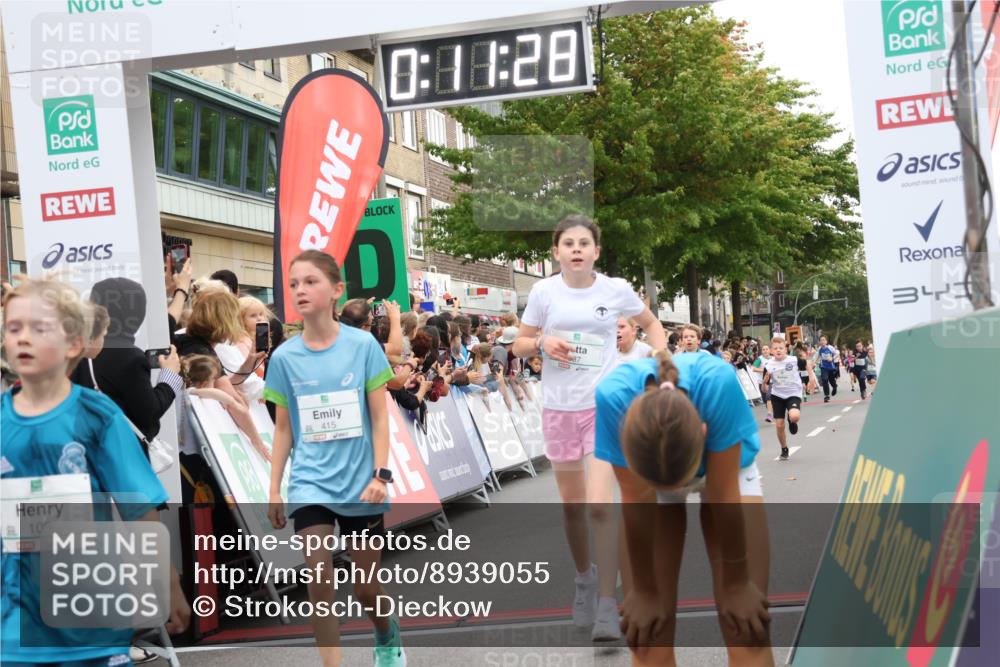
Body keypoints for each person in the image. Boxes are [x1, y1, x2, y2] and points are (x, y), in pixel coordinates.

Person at [2, 278, 190, 664]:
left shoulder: (98, 416)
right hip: (14, 622)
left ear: (73, 343)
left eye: (39, 328)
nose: (22, 338)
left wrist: (166, 583)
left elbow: (139, 507)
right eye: (13, 327)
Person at [512, 214, 666, 641]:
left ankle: (605, 604)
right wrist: (542, 342)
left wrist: (663, 358)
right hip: (560, 409)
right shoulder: (544, 292)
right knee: (573, 509)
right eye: (568, 243)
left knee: (600, 505)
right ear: (556, 252)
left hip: (604, 405)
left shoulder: (614, 289)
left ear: (596, 251)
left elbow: (652, 324)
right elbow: (519, 345)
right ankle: (584, 577)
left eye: (584, 243)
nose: (576, 249)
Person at [265, 250, 404, 667]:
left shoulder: (362, 346)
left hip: (362, 482)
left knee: (365, 589)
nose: (300, 290)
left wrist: (381, 473)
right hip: (311, 483)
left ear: (336, 290)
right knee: (319, 580)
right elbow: (284, 429)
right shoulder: (284, 358)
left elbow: (380, 418)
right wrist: (274, 488)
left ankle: (386, 635)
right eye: (293, 284)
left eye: (310, 282)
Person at [595, 351, 771, 666]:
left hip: (726, 476)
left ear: (703, 432)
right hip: (647, 483)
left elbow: (722, 492)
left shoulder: (717, 382)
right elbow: (636, 502)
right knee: (648, 638)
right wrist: (645, 590)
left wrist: (737, 582)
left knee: (747, 630)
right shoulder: (613, 397)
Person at [71, 277, 184, 443]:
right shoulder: (131, 358)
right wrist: (170, 376)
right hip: (120, 452)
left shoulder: (77, 350)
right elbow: (149, 413)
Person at [182, 354, 271, 462]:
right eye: (213, 381)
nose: (215, 385)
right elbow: (214, 393)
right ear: (203, 384)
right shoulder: (189, 393)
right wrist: (229, 400)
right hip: (191, 455)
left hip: (199, 452)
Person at [762, 336, 805, 460]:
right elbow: (765, 390)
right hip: (778, 395)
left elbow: (807, 364)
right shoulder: (769, 365)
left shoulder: (793, 360)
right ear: (771, 351)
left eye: (781, 348)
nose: (778, 350)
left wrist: (811, 379)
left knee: (795, 416)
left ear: (786, 349)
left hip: (793, 393)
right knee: (779, 425)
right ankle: (784, 448)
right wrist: (765, 383)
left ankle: (792, 421)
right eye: (775, 348)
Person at [750, 344, 773, 422]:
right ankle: (771, 410)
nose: (765, 350)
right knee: (765, 400)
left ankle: (769, 414)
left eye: (767, 349)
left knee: (769, 396)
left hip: (772, 382)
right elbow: (753, 368)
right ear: (762, 351)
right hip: (762, 382)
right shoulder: (760, 359)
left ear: (770, 350)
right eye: (763, 349)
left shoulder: (774, 358)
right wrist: (764, 370)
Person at [816, 336, 838, 403]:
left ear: (826, 341)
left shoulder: (830, 347)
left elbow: (837, 353)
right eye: (821, 340)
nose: (822, 342)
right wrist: (813, 363)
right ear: (819, 342)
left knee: (831, 380)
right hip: (823, 367)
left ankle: (834, 387)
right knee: (824, 379)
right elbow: (816, 356)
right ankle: (827, 395)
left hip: (830, 367)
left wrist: (832, 358)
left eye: (823, 340)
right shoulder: (819, 349)